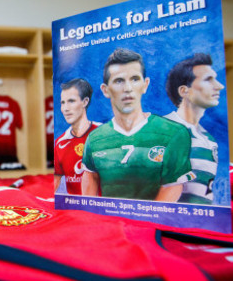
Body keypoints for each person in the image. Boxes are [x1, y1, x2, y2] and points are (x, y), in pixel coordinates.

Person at [81, 48, 193, 201]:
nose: (128, 88)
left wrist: (147, 220)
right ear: (105, 90)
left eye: (134, 79)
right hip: (111, 222)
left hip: (151, 222)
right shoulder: (95, 139)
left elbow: (172, 186)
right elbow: (90, 178)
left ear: (145, 84)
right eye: (119, 81)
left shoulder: (174, 133)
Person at [164, 53, 224, 204]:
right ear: (184, 91)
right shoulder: (162, 129)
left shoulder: (209, 139)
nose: (219, 86)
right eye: (208, 79)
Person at [54, 78, 100, 194]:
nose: (65, 108)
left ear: (85, 102)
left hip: (102, 209)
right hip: (74, 209)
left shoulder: (103, 134)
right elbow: (55, 183)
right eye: (62, 103)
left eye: (71, 101)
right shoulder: (60, 143)